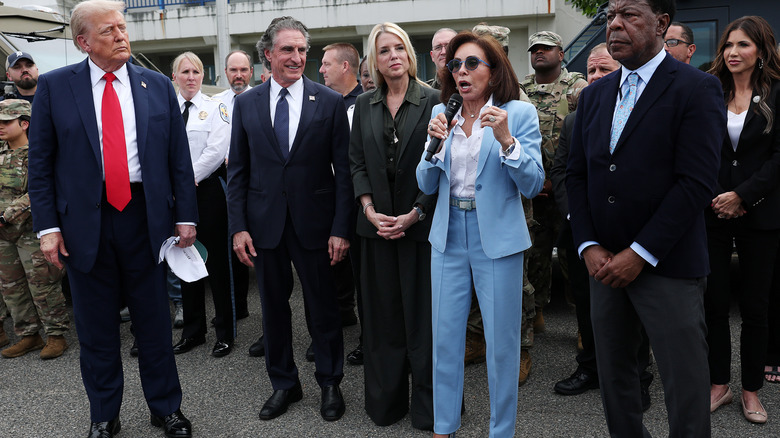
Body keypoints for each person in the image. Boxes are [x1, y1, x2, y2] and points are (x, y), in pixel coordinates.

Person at [27, 1, 198, 437]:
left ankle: (166, 408)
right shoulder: (54, 87)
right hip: (84, 223)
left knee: (154, 322)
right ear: (83, 41)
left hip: (145, 217)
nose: (122, 36)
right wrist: (47, 229)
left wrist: (186, 218)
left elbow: (179, 159)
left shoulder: (157, 85)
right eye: (109, 31)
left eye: (123, 27)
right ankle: (104, 415)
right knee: (97, 327)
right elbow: (41, 165)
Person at [566, 0, 726, 436]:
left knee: (684, 387)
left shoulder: (696, 88)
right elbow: (576, 175)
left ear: (662, 23)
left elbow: (696, 182)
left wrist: (640, 252)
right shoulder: (595, 94)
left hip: (668, 265)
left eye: (630, 15)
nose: (615, 24)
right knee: (616, 384)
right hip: (603, 267)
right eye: (610, 16)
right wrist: (587, 244)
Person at [418, 31, 544, 438]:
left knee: (501, 345)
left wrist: (507, 140)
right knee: (445, 340)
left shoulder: (519, 114)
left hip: (499, 240)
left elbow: (533, 184)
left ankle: (501, 430)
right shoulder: (443, 111)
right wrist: (434, 145)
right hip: (449, 234)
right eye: (455, 64)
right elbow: (424, 180)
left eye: (472, 63)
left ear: (494, 70)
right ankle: (444, 425)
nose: (461, 71)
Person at [227, 15, 352, 422]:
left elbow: (344, 173)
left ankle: (330, 382)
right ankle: (284, 383)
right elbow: (238, 173)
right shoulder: (245, 104)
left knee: (323, 308)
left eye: (302, 50)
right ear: (268, 54)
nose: (297, 57)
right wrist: (238, 227)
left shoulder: (329, 102)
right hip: (264, 227)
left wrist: (340, 228)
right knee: (274, 310)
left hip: (316, 225)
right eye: (288, 50)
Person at [550, 43, 653, 410]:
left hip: (629, 238)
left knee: (635, 313)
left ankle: (639, 378)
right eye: (591, 71)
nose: (595, 78)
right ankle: (591, 368)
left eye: (604, 70)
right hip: (582, 237)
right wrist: (578, 224)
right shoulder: (576, 118)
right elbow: (563, 172)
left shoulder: (643, 113)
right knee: (588, 308)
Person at [348, 22, 438, 430]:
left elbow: (446, 168)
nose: (393, 56)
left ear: (410, 54)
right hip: (376, 230)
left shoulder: (436, 101)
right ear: (374, 60)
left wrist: (415, 213)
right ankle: (386, 405)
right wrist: (368, 209)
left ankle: (431, 409)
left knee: (426, 323)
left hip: (421, 229)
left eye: (398, 47)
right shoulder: (364, 106)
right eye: (383, 51)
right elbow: (357, 163)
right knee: (382, 321)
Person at [705, 15, 780, 424]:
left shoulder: (777, 93)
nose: (733, 52)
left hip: (760, 211)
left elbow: (778, 157)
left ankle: (751, 391)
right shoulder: (708, 89)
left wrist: (744, 195)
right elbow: (696, 147)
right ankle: (720, 385)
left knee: (755, 307)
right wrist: (718, 197)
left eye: (743, 45)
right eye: (728, 45)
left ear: (761, 51)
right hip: (712, 210)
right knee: (713, 304)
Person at [520, 30, 587, 385]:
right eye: (534, 49)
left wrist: (554, 181)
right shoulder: (520, 89)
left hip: (564, 187)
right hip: (532, 189)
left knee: (575, 257)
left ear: (561, 53)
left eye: (546, 48)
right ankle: (537, 313)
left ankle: (581, 325)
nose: (539, 53)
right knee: (535, 255)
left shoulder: (577, 87)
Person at [170, 51, 235, 358]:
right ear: (175, 77)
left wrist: (184, 181)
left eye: (196, 72)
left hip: (205, 191)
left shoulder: (214, 107)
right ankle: (193, 331)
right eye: (185, 72)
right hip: (175, 196)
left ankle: (225, 330)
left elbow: (216, 150)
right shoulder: (166, 109)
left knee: (218, 265)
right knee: (184, 261)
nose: (191, 77)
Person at [0, 99, 69, 360]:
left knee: (43, 284)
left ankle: (56, 336)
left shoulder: (38, 154)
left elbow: (38, 191)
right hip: (3, 235)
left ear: (24, 123)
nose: (1, 126)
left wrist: (6, 214)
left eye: (7, 121)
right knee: (11, 287)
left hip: (30, 231)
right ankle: (28, 335)